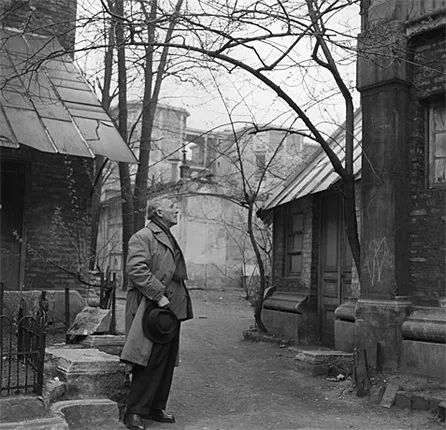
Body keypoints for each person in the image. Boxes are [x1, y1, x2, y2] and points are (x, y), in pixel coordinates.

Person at [120, 197, 193, 430]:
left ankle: (154, 407)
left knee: (166, 359)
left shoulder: (166, 235)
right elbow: (135, 269)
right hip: (152, 307)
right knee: (147, 359)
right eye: (173, 207)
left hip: (169, 309)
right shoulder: (144, 236)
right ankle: (134, 412)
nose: (177, 210)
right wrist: (158, 295)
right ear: (159, 212)